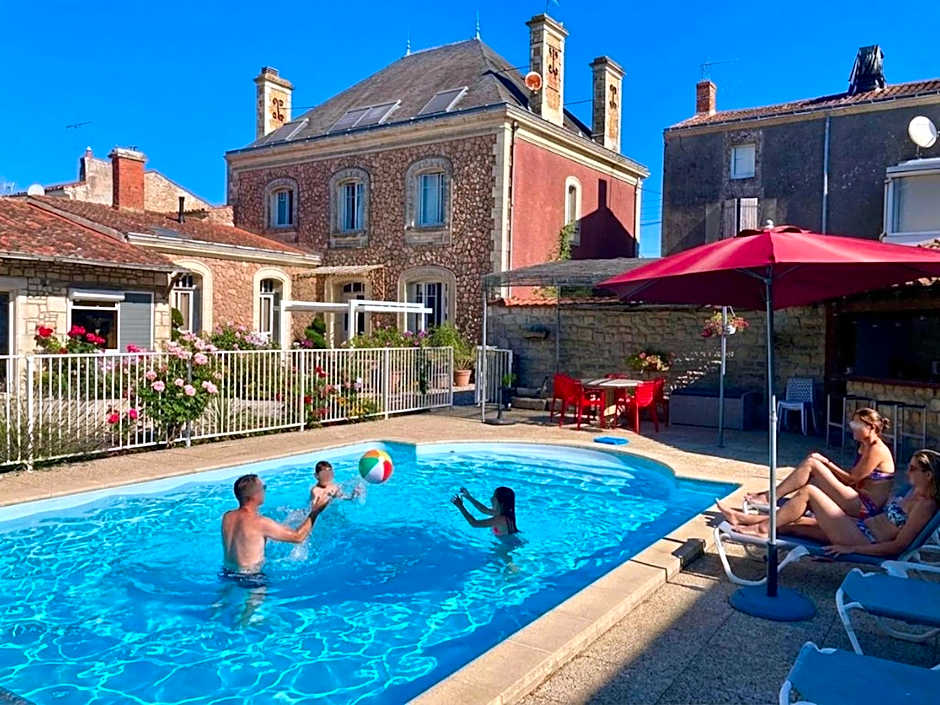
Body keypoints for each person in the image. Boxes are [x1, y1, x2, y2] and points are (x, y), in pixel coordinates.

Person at [718, 449, 940, 557]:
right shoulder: (914, 492)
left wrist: (851, 548)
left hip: (864, 539)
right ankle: (745, 518)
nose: (907, 471)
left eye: (912, 468)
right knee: (795, 523)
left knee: (809, 492)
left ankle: (762, 529)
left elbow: (899, 546)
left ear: (929, 475)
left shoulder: (926, 506)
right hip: (860, 527)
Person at [744, 408, 894, 517]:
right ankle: (781, 509)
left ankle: (771, 498)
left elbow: (851, 478)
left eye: (857, 426)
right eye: (852, 425)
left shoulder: (877, 450)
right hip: (856, 497)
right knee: (814, 481)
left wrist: (826, 463)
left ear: (872, 428)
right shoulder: (865, 445)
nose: (852, 429)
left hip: (865, 506)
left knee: (812, 464)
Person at [222, 473, 331, 576]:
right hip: (251, 577)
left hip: (227, 573)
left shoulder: (227, 517)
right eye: (263, 488)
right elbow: (298, 537)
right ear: (255, 496)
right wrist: (315, 512)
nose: (265, 491)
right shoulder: (260, 522)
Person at [451, 486, 518, 536]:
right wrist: (469, 497)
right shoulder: (499, 512)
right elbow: (484, 509)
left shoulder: (501, 519)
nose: (491, 498)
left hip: (506, 547)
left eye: (494, 496)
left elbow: (474, 523)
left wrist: (460, 506)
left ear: (501, 503)